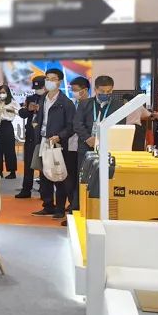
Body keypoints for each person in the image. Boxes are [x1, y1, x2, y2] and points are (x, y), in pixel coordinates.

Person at [30, 68, 76, 219]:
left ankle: (60, 208)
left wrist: (59, 136)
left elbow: (71, 126)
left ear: (60, 82)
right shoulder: (43, 98)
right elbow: (40, 118)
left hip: (57, 143)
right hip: (43, 141)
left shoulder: (66, 103)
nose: (49, 81)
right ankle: (48, 205)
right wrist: (36, 126)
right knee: (44, 174)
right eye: (47, 78)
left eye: (53, 79)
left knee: (58, 175)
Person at [74, 75, 125, 208]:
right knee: (82, 179)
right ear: (96, 89)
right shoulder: (85, 104)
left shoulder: (118, 105)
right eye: (102, 91)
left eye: (109, 91)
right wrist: (87, 138)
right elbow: (77, 124)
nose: (105, 94)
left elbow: (120, 126)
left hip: (108, 148)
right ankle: (78, 208)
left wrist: (104, 140)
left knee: (105, 179)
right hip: (86, 147)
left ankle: (99, 209)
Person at [65, 76, 92, 214]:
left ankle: (77, 207)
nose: (73, 92)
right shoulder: (72, 104)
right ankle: (72, 203)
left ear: (84, 90)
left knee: (81, 178)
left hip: (85, 146)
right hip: (70, 145)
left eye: (75, 90)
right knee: (70, 177)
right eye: (72, 89)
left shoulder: (91, 105)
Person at [16, 76, 45, 199]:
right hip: (31, 135)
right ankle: (26, 189)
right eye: (36, 88)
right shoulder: (31, 98)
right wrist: (29, 109)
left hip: (43, 135)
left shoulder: (49, 99)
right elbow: (22, 114)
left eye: (40, 87)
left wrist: (41, 109)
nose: (38, 90)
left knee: (43, 164)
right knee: (28, 163)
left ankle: (44, 190)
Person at [0, 83, 19, 179]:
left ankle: (12, 172)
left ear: (8, 93)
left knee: (9, 150)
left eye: (4, 92)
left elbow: (19, 112)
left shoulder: (12, 102)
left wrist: (10, 110)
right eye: (0, 92)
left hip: (7, 126)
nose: (2, 94)